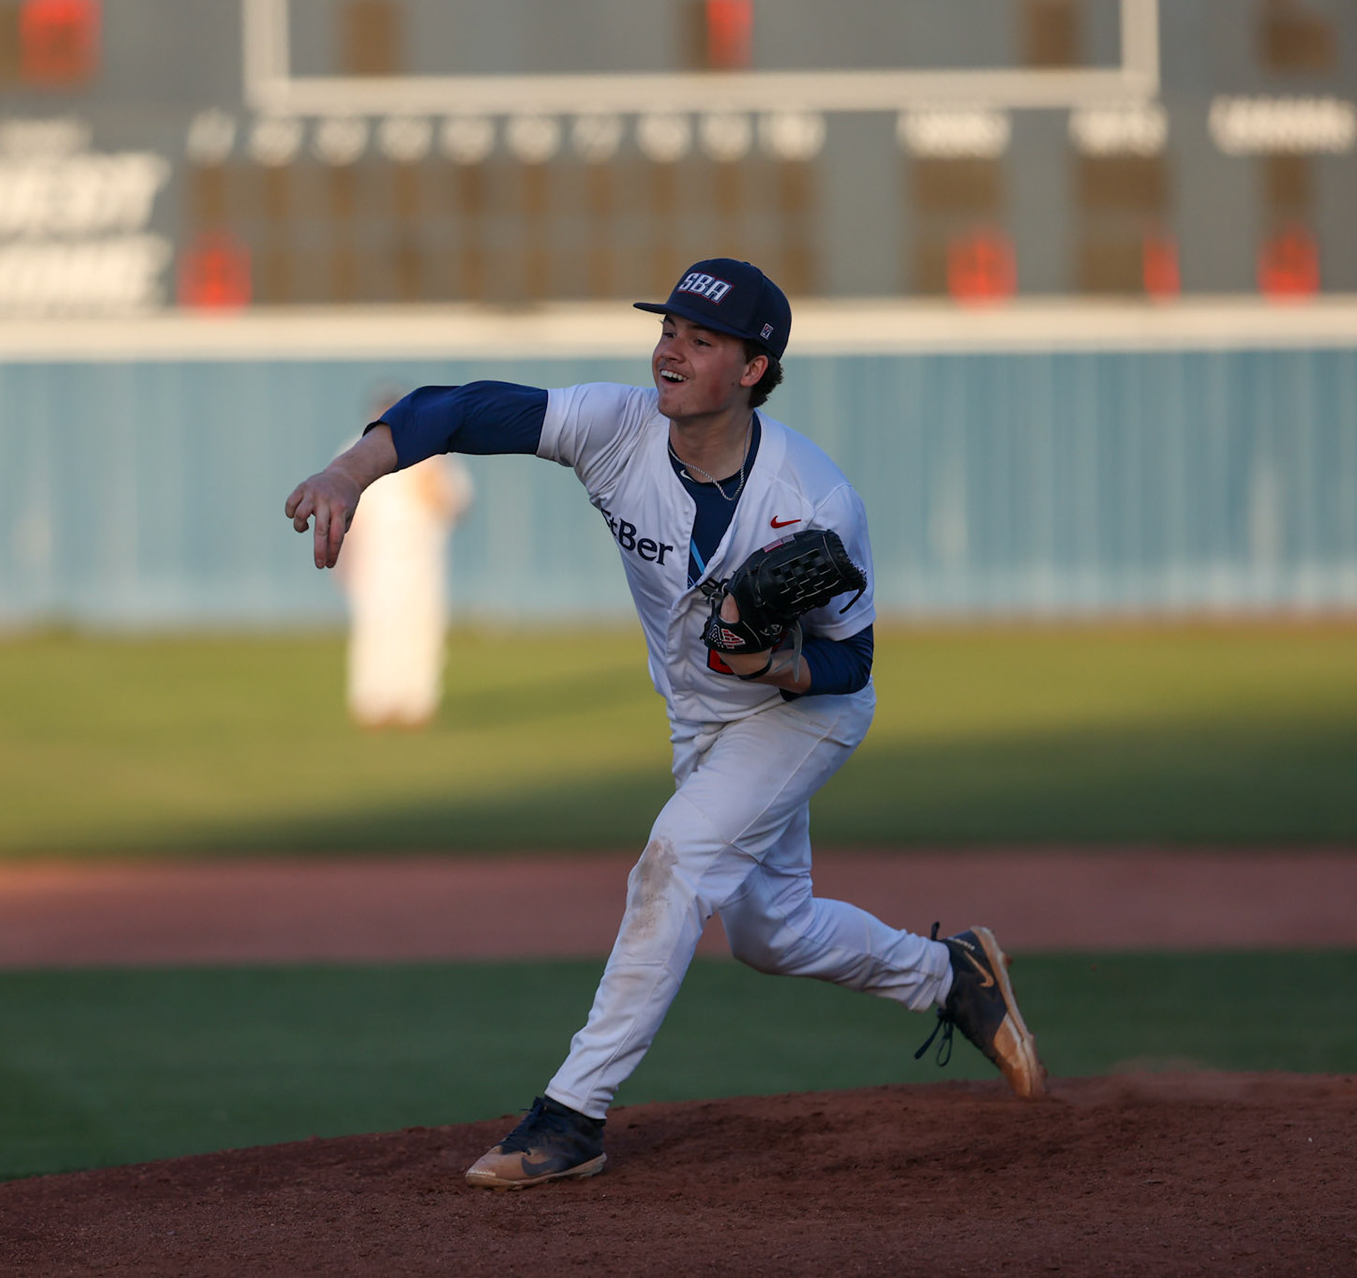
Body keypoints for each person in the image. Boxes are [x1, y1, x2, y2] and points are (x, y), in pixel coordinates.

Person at [283, 259, 1046, 1190]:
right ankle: (948, 975)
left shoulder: (815, 502)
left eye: (700, 338)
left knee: (674, 863)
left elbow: (853, 663)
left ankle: (570, 1117)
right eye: (668, 330)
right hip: (700, 717)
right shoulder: (617, 428)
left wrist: (773, 662)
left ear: (754, 368)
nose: (670, 350)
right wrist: (351, 466)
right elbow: (461, 406)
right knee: (771, 933)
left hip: (803, 714)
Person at [335, 451, 472, 728]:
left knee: (421, 631)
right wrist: (343, 556)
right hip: (375, 563)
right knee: (375, 631)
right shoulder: (356, 453)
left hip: (423, 564)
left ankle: (416, 704)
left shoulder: (433, 456)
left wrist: (434, 486)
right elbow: (348, 514)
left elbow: (457, 504)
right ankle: (373, 703)